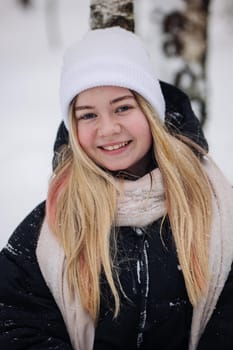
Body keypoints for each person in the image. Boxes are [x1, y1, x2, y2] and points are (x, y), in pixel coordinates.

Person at [0, 26, 233, 350]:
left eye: (123, 107)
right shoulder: (50, 227)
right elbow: (14, 322)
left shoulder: (214, 203)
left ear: (151, 111)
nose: (108, 128)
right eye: (88, 115)